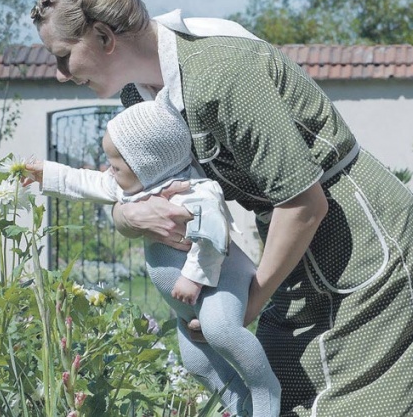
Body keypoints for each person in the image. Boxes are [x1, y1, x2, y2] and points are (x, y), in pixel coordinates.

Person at [30, 0, 413, 416]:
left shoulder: (222, 73)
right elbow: (133, 189)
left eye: (63, 55)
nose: (60, 73)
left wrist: (246, 306)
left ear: (105, 37)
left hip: (365, 242)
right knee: (285, 403)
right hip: (294, 255)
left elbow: (305, 204)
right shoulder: (137, 96)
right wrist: (128, 215)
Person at [25, 100, 281, 417]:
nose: (108, 171)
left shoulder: (196, 191)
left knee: (220, 330)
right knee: (196, 362)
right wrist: (46, 174)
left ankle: (265, 390)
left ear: (147, 165)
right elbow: (87, 181)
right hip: (188, 302)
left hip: (219, 280)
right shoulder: (135, 186)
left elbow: (213, 236)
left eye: (116, 166)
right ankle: (241, 404)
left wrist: (192, 277)